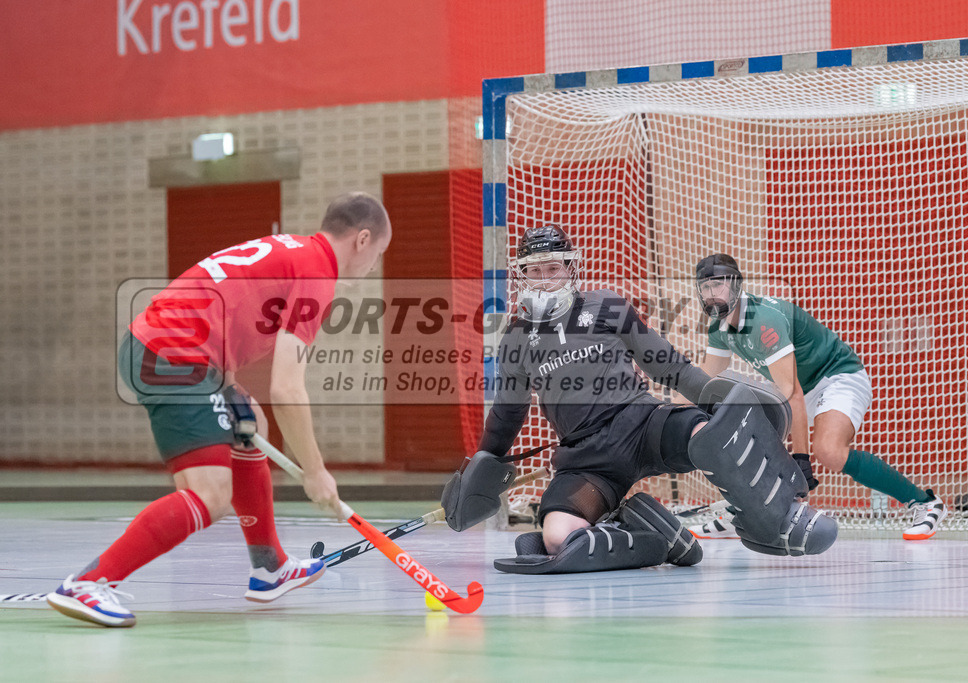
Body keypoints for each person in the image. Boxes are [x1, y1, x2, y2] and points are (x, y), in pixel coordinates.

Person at [46, 192, 392, 627]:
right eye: (378, 254)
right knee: (210, 495)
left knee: (250, 424)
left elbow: (222, 305)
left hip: (178, 351)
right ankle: (88, 583)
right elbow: (286, 388)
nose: (373, 267)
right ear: (362, 240)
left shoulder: (293, 251)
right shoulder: (317, 273)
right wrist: (315, 471)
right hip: (174, 354)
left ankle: (270, 568)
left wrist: (229, 389)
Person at [442, 226, 837, 575]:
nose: (544, 279)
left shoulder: (607, 306)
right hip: (587, 460)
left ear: (570, 268)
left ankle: (780, 520)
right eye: (534, 270)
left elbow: (671, 368)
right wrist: (481, 466)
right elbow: (508, 412)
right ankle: (657, 537)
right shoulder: (515, 337)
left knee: (711, 432)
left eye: (553, 268)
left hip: (643, 425)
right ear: (522, 275)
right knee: (558, 539)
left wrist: (721, 404)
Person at [686, 254, 946, 542]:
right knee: (739, 427)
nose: (712, 295)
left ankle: (924, 502)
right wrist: (668, 410)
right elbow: (705, 380)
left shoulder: (764, 320)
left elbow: (792, 393)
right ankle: (745, 514)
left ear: (735, 285)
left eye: (718, 285)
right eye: (706, 287)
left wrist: (801, 458)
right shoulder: (718, 327)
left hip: (836, 376)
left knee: (829, 452)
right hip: (797, 388)